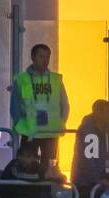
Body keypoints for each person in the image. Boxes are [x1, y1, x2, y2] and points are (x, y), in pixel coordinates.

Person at [9, 43, 69, 174]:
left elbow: (65, 104)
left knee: (49, 171)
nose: (46, 60)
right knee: (27, 168)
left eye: (48, 57)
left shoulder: (55, 79)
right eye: (42, 56)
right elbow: (15, 106)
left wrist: (61, 123)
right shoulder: (22, 79)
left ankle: (46, 194)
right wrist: (19, 123)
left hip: (51, 133)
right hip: (30, 132)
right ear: (33, 57)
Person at [0, 140, 64, 198]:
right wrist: (43, 177)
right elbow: (17, 175)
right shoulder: (13, 165)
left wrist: (58, 175)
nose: (23, 159)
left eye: (28, 156)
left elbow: (60, 178)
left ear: (34, 158)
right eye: (21, 155)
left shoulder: (39, 167)